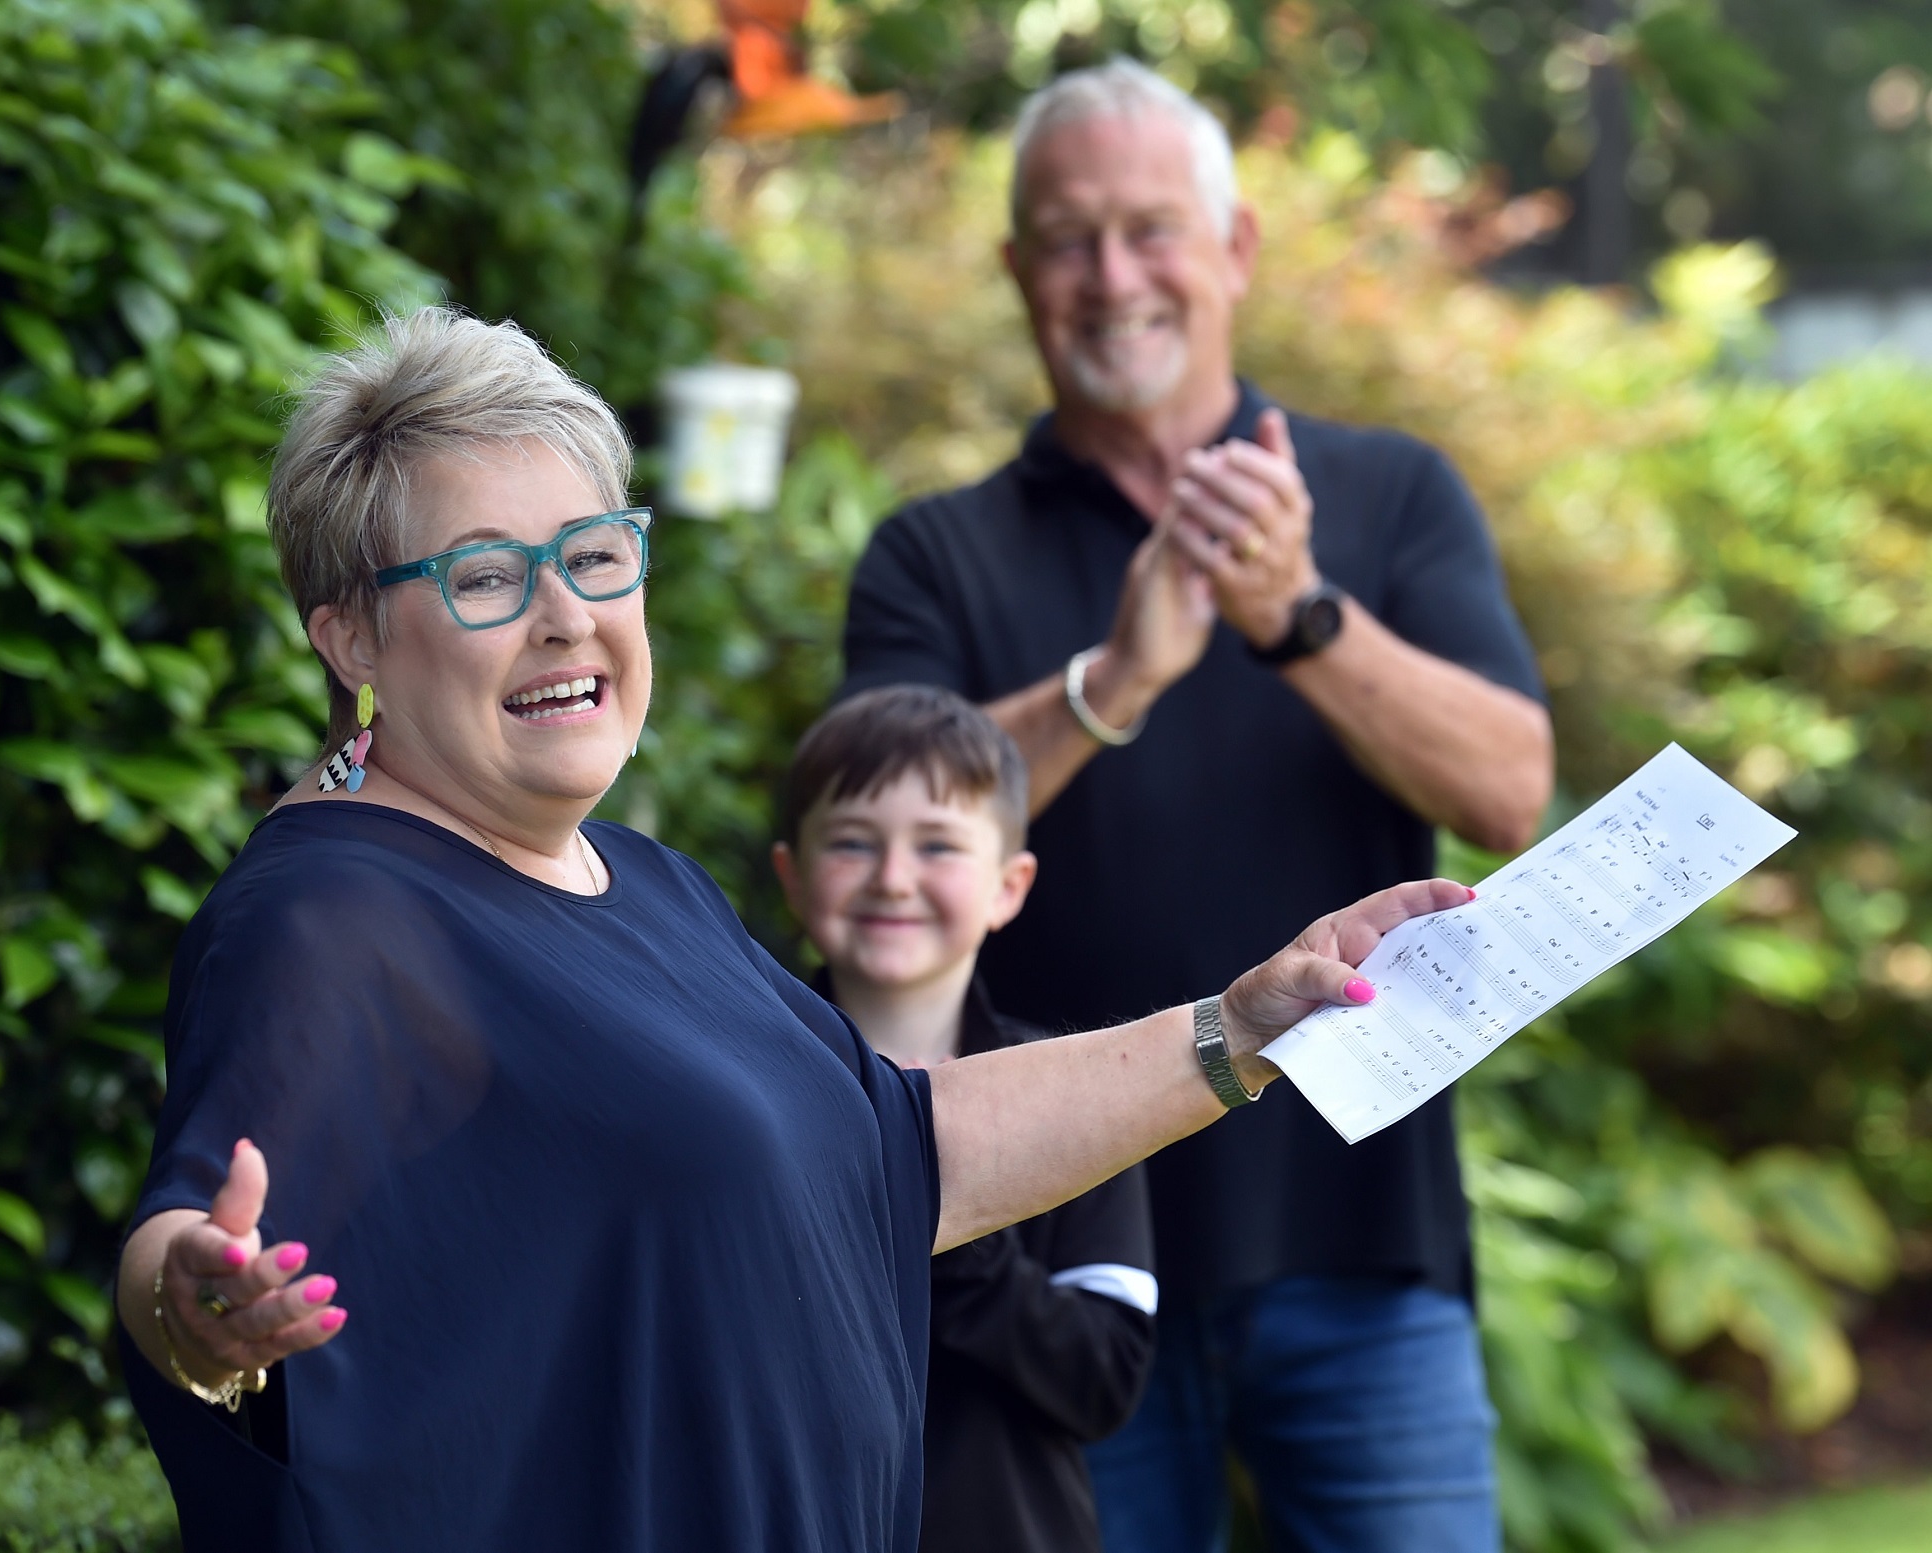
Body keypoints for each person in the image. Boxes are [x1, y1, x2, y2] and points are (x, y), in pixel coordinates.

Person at [111, 305, 1471, 1553]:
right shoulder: (335, 913)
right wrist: (201, 1314)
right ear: (351, 640)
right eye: (484, 577)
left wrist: (1242, 1026)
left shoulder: (648, 887)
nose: (566, 616)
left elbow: (898, 1151)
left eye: (592, 556)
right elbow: (194, 1242)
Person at [838, 60, 1555, 1553]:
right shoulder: (932, 554)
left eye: (1150, 230)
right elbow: (877, 837)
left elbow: (1506, 786)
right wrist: (1116, 677)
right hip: (1059, 1264)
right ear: (1016, 269)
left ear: (1231, 251)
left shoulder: (1387, 493)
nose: (1111, 278)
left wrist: (1296, 614)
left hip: (1360, 1242)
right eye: (1067, 238)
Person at [773, 684, 1155, 1553]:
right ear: (793, 876)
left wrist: (942, 1197)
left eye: (937, 845)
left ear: (1008, 885)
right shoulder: (740, 1086)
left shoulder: (1078, 1089)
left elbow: (1104, 1375)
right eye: (852, 842)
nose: (893, 878)